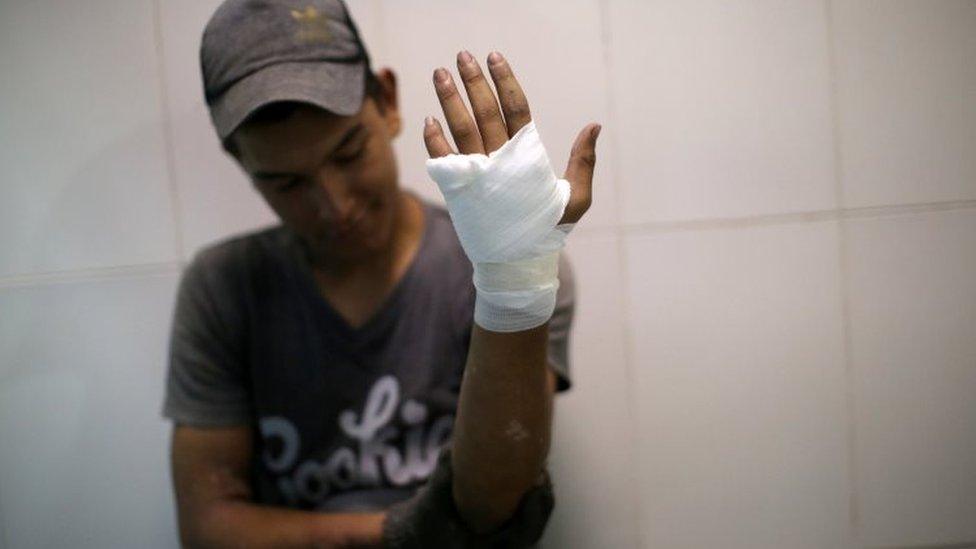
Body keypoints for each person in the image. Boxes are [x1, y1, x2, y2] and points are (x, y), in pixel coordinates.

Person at [161, 0, 601, 547]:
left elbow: (498, 504)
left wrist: (513, 279)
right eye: (287, 184)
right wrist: (404, 534)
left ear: (388, 103)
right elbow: (208, 529)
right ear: (240, 163)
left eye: (348, 153)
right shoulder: (223, 289)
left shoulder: (500, 265)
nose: (335, 205)